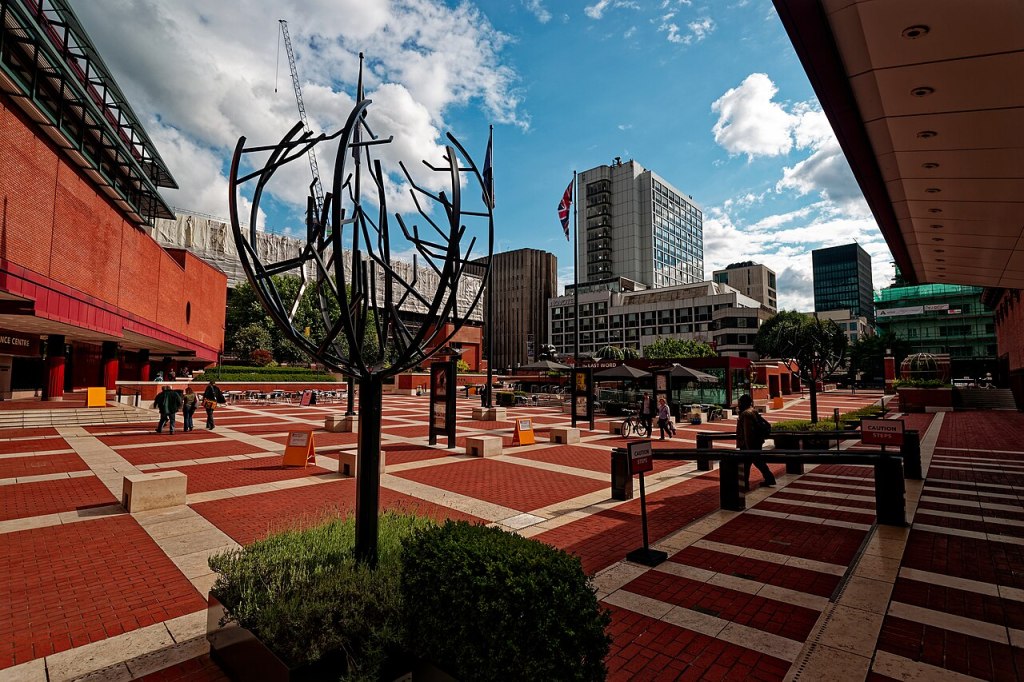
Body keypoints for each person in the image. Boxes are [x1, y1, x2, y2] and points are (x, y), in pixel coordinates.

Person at [737, 394, 776, 489]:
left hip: (748, 445)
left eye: (740, 402)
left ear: (743, 403)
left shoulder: (746, 414)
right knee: (758, 463)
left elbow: (747, 432)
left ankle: (744, 485)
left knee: (747, 465)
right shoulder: (753, 411)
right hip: (756, 443)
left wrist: (748, 448)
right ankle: (769, 479)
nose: (738, 404)